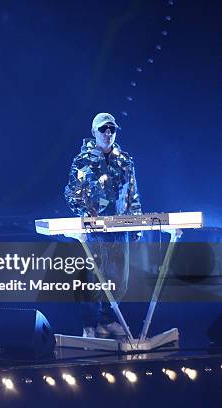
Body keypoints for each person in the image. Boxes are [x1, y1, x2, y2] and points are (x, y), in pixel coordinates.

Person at [64, 112, 142, 338]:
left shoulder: (125, 160)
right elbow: (71, 193)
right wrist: (85, 215)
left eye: (112, 129)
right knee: (92, 277)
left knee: (118, 278)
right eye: (103, 129)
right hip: (94, 230)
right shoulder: (83, 160)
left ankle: (108, 320)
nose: (108, 133)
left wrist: (135, 225)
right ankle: (90, 324)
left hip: (119, 228)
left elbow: (133, 194)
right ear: (94, 132)